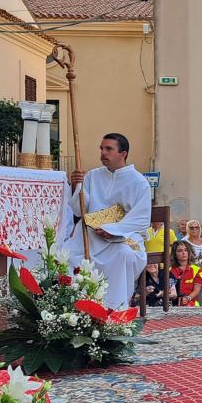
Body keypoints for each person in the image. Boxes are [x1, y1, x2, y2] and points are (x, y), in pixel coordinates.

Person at [66, 133, 151, 310]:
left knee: (122, 254)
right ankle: (74, 309)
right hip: (91, 235)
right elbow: (79, 210)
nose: (103, 152)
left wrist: (113, 230)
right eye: (101, 148)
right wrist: (77, 187)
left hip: (124, 237)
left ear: (123, 153)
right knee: (66, 254)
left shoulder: (139, 182)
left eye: (109, 149)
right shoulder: (92, 176)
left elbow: (141, 219)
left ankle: (114, 309)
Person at [169, 240, 202, 307]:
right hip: (173, 303)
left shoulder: (197, 270)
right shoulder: (169, 270)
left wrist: (188, 298)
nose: (183, 253)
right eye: (180, 251)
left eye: (186, 250)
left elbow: (196, 290)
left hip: (191, 303)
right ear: (175, 254)